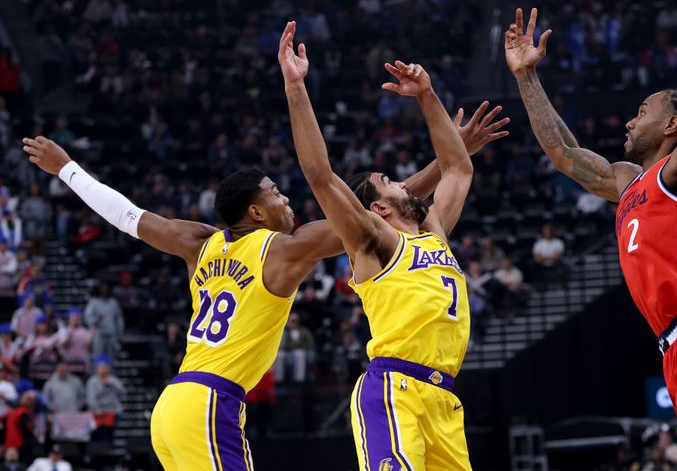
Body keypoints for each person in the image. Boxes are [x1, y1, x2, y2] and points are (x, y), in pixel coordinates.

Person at [21, 95, 506, 470]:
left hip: (172, 406)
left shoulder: (199, 242)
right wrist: (447, 160)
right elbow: (360, 214)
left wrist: (66, 168)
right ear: (256, 212)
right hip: (213, 401)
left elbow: (125, 214)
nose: (286, 200)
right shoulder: (284, 249)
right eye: (275, 194)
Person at [505, 6, 677, 471]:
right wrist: (527, 77)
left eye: (642, 111)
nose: (630, 122)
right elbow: (562, 152)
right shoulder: (629, 180)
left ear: (672, 125)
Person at [279, 20, 475, 470]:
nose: (401, 180)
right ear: (380, 209)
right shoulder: (374, 241)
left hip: (443, 400)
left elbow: (458, 169)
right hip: (395, 390)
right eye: (388, 181)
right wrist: (295, 86)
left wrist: (427, 94)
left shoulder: (435, 233)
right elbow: (320, 176)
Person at [86, 357, 124, 442]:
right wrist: (97, 410)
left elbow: (122, 392)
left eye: (105, 368)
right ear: (97, 369)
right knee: (99, 436)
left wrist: (110, 382)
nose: (103, 370)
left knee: (111, 435)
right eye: (101, 368)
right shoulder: (92, 382)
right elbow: (91, 399)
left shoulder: (113, 380)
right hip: (98, 413)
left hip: (112, 412)